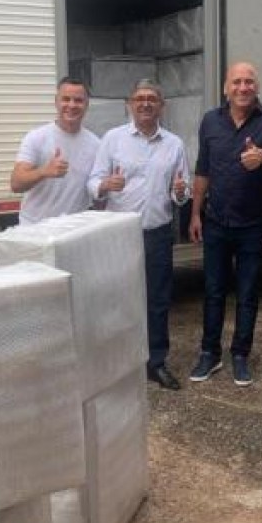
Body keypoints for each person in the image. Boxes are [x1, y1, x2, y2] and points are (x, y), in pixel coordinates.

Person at [188, 62, 262, 387]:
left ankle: (241, 355)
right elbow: (203, 169)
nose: (243, 87)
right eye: (236, 82)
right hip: (216, 221)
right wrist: (195, 213)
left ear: (256, 87)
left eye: (249, 82)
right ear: (225, 88)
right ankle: (210, 353)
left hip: (253, 224)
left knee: (247, 293)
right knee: (213, 291)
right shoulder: (210, 121)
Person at [88, 79, 191, 390]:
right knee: (118, 300)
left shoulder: (174, 144)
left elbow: (181, 192)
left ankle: (155, 363)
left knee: (158, 301)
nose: (146, 103)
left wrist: (180, 192)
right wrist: (105, 185)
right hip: (119, 235)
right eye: (140, 98)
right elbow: (92, 181)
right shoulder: (113, 139)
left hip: (157, 234)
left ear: (162, 106)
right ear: (129, 105)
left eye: (152, 99)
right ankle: (119, 365)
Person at [10, 78, 100, 225]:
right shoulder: (37, 137)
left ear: (86, 105)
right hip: (35, 227)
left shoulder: (95, 144)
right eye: (66, 99)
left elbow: (96, 188)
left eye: (78, 100)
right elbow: (16, 183)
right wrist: (44, 171)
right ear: (56, 102)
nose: (72, 105)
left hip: (74, 229)